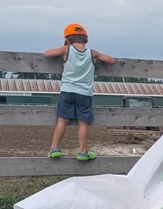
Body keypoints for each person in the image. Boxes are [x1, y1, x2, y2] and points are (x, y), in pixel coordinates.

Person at [43, 23, 115, 161]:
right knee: (83, 123)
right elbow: (111, 61)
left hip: (67, 91)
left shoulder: (66, 50)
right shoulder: (93, 53)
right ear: (85, 38)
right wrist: (98, 55)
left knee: (62, 121)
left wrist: (65, 46)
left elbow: (46, 54)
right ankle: (82, 152)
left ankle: (54, 148)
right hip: (84, 94)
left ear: (68, 39)